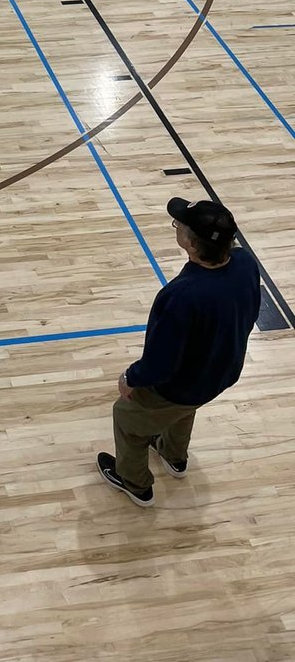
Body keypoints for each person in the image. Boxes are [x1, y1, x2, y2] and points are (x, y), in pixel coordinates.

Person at [97, 196, 260, 507]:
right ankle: (174, 455)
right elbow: (250, 313)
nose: (178, 226)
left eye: (180, 225)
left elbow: (160, 364)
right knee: (186, 407)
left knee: (127, 418)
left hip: (182, 384)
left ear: (192, 245)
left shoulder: (181, 296)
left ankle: (135, 483)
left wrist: (130, 378)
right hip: (221, 371)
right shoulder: (246, 265)